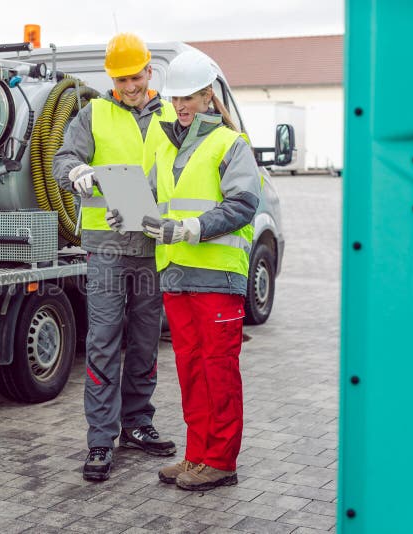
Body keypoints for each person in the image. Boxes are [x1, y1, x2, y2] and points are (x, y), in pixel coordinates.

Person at [53, 32, 177, 482]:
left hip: (154, 246)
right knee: (103, 343)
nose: (130, 85)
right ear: (113, 77)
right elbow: (62, 159)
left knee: (145, 341)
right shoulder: (93, 114)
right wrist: (76, 172)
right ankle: (101, 441)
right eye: (122, 78)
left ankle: (138, 424)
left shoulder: (171, 113)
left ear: (150, 70)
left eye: (137, 75)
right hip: (107, 248)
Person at [141, 47, 262, 491]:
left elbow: (245, 204)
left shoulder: (231, 144)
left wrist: (195, 227)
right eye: (175, 99)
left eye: (189, 97)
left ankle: (221, 462)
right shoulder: (170, 146)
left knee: (218, 371)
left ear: (209, 96)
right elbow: (159, 204)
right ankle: (197, 456)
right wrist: (132, 214)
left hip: (216, 277)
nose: (181, 106)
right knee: (191, 369)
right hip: (176, 273)